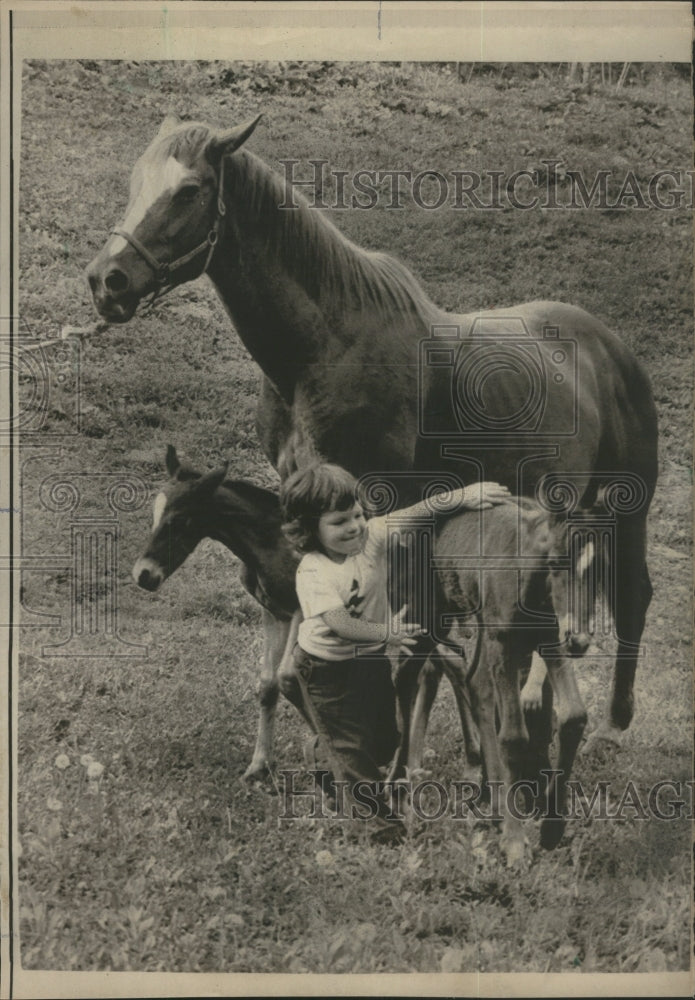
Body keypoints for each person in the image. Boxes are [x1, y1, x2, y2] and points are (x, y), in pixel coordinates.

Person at [279, 462, 510, 841]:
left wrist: (465, 497)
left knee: (386, 738)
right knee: (353, 752)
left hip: (368, 663)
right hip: (325, 669)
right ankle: (379, 828)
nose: (354, 526)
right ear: (308, 530)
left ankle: (323, 754)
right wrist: (386, 633)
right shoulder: (313, 571)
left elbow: (417, 512)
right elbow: (340, 624)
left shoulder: (370, 538)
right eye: (339, 522)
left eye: (357, 514)